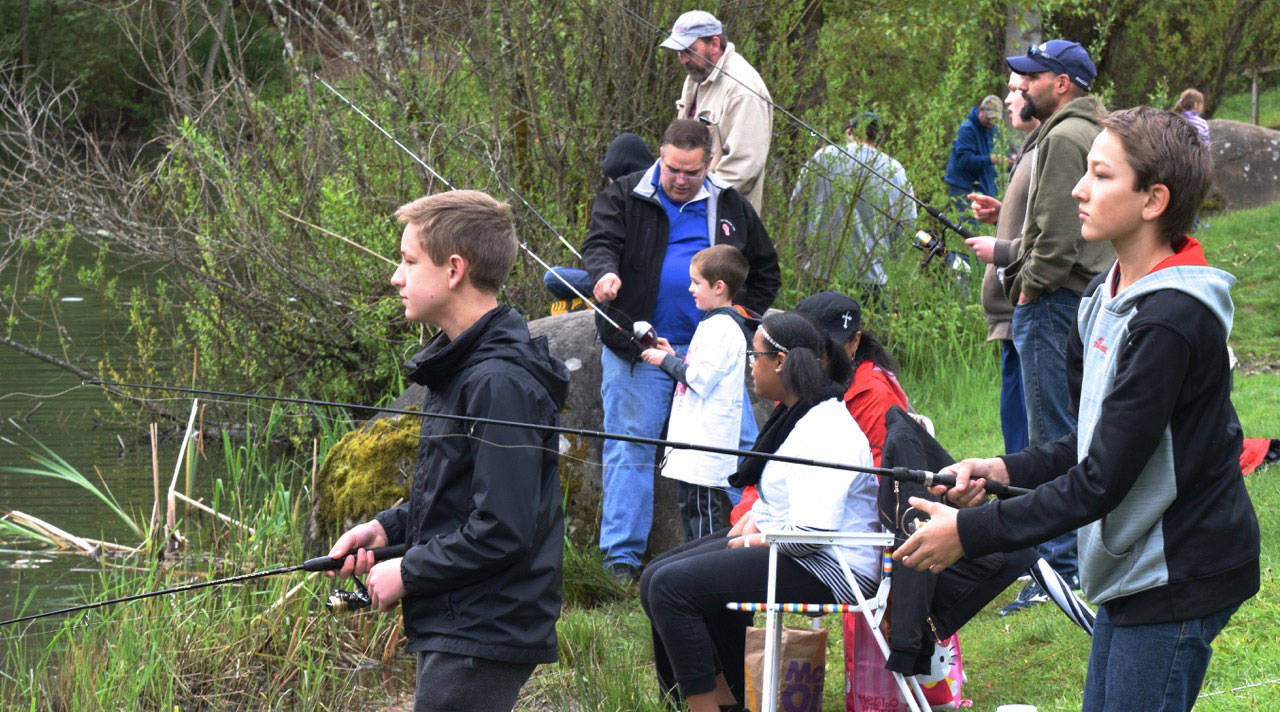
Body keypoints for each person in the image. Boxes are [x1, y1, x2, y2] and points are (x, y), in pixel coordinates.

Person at [895, 107, 1260, 712]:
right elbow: (1086, 445)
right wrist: (998, 471)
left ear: (1153, 200)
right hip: (1133, 569)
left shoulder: (1170, 319)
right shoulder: (1102, 297)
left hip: (1181, 573)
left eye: (1100, 175)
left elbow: (1100, 481)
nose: (1078, 189)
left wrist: (968, 533)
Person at [326, 190, 570, 712]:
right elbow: (459, 498)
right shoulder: (461, 369)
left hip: (486, 625)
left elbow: (503, 527)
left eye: (409, 261)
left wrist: (407, 572)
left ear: (454, 269)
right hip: (465, 619)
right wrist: (388, 530)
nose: (397, 276)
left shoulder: (499, 381)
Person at [639, 311, 880, 712]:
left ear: (781, 361)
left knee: (671, 588)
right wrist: (756, 522)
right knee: (654, 578)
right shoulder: (800, 412)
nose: (751, 365)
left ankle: (702, 707)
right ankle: (727, 699)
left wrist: (750, 539)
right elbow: (785, 501)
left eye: (756, 356)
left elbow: (811, 532)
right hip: (805, 551)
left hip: (833, 567)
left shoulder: (825, 429)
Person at [582, 118, 780, 582]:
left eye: (691, 172)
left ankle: (752, 543)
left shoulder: (730, 204)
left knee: (741, 447)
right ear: (661, 156)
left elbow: (766, 271)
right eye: (671, 168)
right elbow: (599, 244)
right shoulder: (624, 195)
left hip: (711, 354)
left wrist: (737, 319)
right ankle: (621, 562)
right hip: (640, 346)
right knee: (631, 446)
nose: (679, 178)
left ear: (708, 164)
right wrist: (605, 274)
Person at [1000, 39, 1114, 608]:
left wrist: (1027, 290)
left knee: (1052, 436)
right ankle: (1070, 561)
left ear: (1062, 83)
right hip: (1068, 299)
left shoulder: (1067, 136)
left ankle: (1060, 572)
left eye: (1033, 76)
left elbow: (1058, 234)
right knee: (1070, 430)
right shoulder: (1079, 129)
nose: (1023, 85)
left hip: (1054, 301)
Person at [641, 244, 750, 542]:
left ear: (719, 287)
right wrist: (670, 353)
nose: (689, 289)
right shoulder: (711, 324)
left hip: (706, 451)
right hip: (692, 450)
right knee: (691, 510)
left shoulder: (723, 328)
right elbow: (699, 368)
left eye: (696, 282)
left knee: (703, 518)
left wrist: (664, 360)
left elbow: (699, 378)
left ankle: (706, 579)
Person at [965, 72, 1042, 457]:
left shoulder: (1054, 146)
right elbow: (1037, 219)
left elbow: (1055, 238)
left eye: (1017, 90)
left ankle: (1024, 501)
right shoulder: (1035, 145)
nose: (1010, 100)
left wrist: (1002, 250)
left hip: (1027, 308)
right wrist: (1003, 215)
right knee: (1017, 426)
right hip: (1013, 314)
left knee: (1028, 435)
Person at [789, 113, 917, 298]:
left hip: (819, 270)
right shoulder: (895, 170)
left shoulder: (823, 157)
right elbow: (907, 224)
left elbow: (798, 206)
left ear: (849, 131)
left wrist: (801, 252)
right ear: (878, 137)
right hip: (872, 278)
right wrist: (891, 263)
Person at [661, 10, 773, 212]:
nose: (683, 59)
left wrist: (695, 200)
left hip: (726, 217)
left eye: (689, 50)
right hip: (689, 210)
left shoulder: (743, 89)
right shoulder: (697, 75)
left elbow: (744, 168)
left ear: (714, 44)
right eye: (679, 52)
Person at [543, 133, 655, 302]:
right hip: (618, 276)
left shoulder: (624, 200)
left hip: (621, 284)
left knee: (552, 276)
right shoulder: (658, 192)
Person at [943, 95, 1003, 226]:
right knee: (968, 226)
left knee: (983, 226)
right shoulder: (967, 129)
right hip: (963, 187)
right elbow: (964, 161)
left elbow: (999, 152)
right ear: (980, 110)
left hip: (981, 184)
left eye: (994, 119)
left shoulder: (992, 129)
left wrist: (1009, 160)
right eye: (988, 118)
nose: (990, 122)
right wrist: (991, 159)